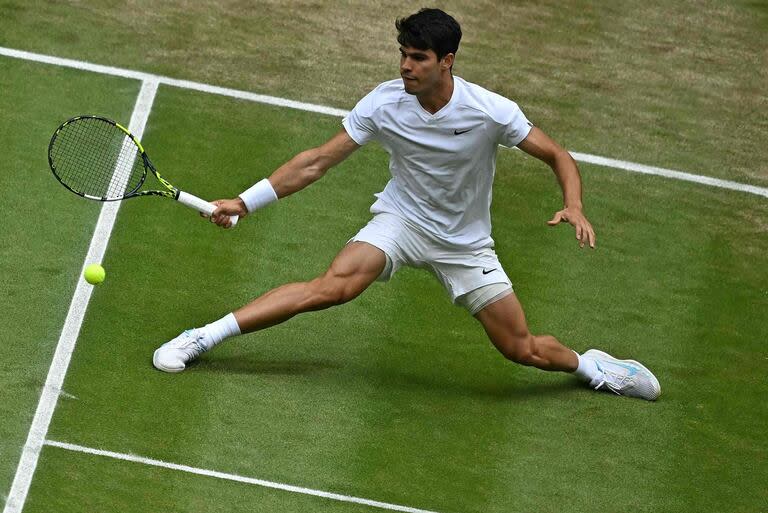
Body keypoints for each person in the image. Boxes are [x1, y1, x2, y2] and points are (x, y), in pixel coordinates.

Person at [153, 8, 660, 400]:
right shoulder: (383, 102)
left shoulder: (489, 110)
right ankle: (204, 336)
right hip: (402, 219)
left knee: (520, 348)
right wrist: (245, 201)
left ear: (447, 61)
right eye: (403, 54)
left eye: (418, 57)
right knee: (334, 287)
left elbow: (556, 154)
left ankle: (592, 366)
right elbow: (316, 162)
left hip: (464, 243)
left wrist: (573, 204)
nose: (405, 66)